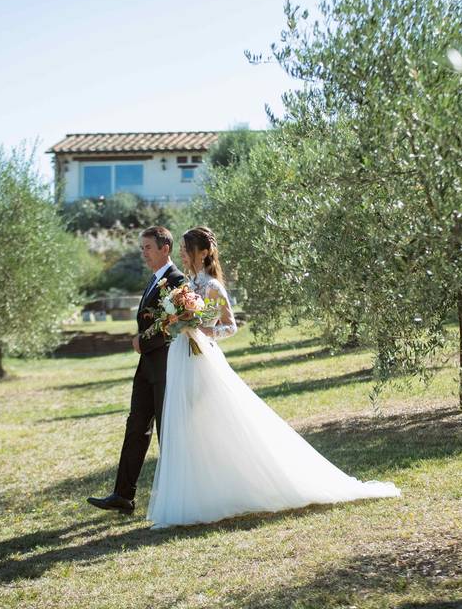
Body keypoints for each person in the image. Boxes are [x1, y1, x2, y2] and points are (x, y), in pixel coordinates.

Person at [145, 226, 400, 529]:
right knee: (189, 425)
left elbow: (230, 326)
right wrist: (175, 321)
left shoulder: (212, 286)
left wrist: (203, 330)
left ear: (201, 252)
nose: (183, 255)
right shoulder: (186, 285)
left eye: (187, 249)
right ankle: (199, 493)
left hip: (202, 360)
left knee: (210, 422)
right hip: (182, 357)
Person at [87, 226, 186, 515]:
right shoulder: (154, 279)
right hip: (147, 368)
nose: (143, 253)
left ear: (164, 248)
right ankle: (123, 495)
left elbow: (174, 325)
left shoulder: (177, 280)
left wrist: (141, 341)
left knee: (166, 431)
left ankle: (176, 496)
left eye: (148, 248)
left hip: (165, 366)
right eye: (142, 248)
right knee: (136, 428)